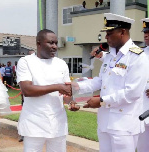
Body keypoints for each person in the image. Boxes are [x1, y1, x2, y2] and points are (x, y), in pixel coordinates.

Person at [73, 13, 149, 152]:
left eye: (110, 32)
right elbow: (100, 81)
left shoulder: (137, 57)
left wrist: (101, 102)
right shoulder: (110, 56)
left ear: (122, 32)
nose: (106, 37)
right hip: (105, 122)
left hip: (124, 125)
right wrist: (77, 87)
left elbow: (132, 93)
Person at [16, 29, 75, 152]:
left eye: (55, 43)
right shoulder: (26, 61)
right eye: (50, 43)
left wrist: (70, 102)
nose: (54, 47)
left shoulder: (61, 64)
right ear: (39, 43)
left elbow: (67, 91)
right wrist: (57, 87)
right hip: (34, 122)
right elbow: (27, 90)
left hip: (57, 121)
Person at [136, 18, 149, 152]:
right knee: (143, 148)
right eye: (145, 31)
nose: (146, 35)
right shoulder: (140, 54)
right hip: (142, 111)